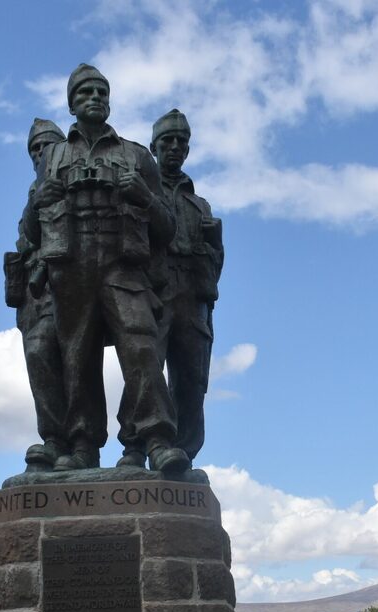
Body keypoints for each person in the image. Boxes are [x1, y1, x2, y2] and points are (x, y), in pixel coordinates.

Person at [26, 64, 188, 473]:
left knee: (142, 347)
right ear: (71, 104)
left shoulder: (135, 155)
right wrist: (37, 200)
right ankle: (82, 445)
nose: (95, 98)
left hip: (122, 267)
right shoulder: (53, 157)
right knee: (76, 358)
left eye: (101, 91)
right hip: (72, 268)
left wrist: (145, 199)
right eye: (85, 93)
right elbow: (31, 232)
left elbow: (166, 230)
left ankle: (156, 439)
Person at [144, 108, 223, 464]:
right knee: (145, 371)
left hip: (193, 296)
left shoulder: (199, 204)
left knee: (192, 381)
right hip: (155, 292)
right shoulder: (142, 192)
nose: (175, 147)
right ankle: (141, 445)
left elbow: (218, 258)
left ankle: (184, 455)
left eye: (181, 142)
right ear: (154, 147)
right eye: (167, 141)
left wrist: (209, 251)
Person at [6, 118, 68, 470]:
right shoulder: (35, 191)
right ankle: (54, 439)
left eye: (46, 145)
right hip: (38, 291)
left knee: (78, 364)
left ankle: (83, 445)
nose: (40, 153)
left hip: (77, 281)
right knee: (40, 352)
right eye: (35, 148)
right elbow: (26, 238)